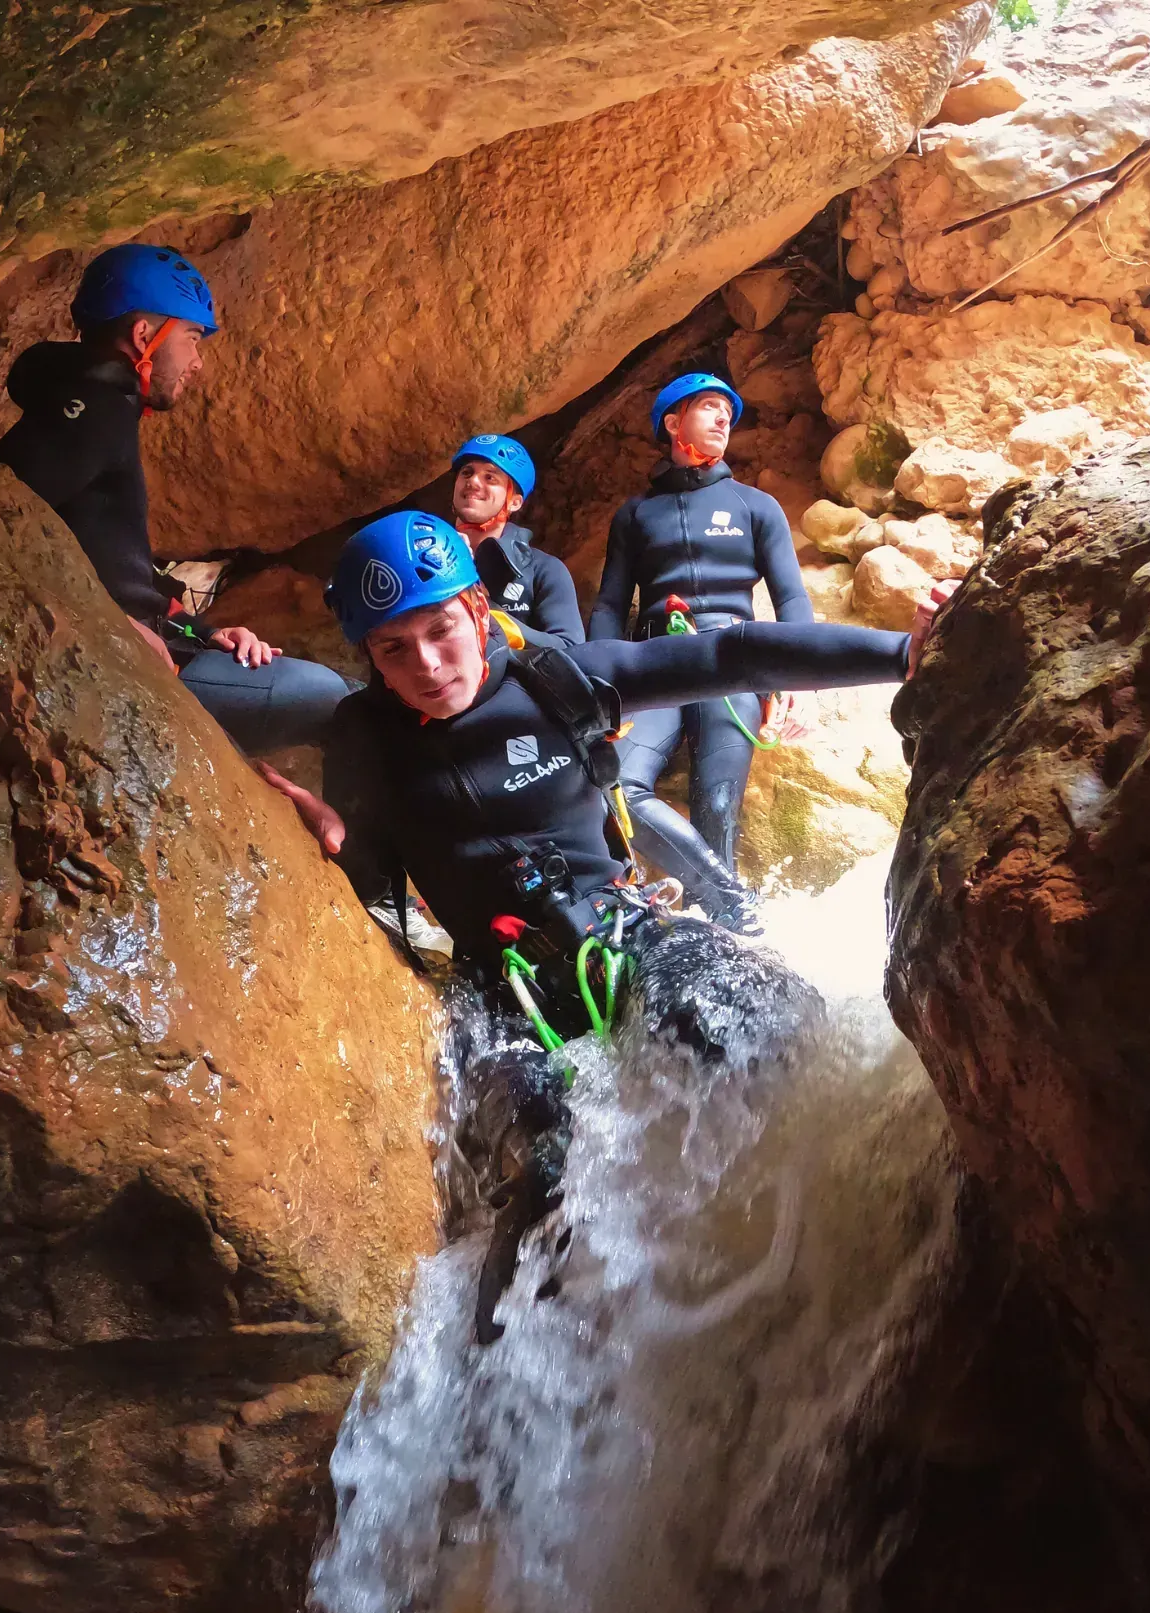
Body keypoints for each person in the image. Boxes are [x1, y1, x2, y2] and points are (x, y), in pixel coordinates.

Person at [260, 511, 937, 1341]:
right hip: (498, 989)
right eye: (394, 649)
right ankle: (504, 1371)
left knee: (761, 1016)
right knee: (545, 1166)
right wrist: (332, 840)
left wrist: (902, 654)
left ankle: (790, 1259)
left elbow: (728, 654)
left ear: (476, 611)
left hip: (615, 930)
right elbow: (372, 876)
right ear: (369, 656)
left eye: (440, 630)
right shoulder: (365, 737)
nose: (428, 666)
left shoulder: (556, 679)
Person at [0, 243, 350, 752]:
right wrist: (114, 627)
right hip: (121, 653)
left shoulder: (97, 403)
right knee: (334, 698)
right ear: (144, 335)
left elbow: (112, 561)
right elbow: (0, 527)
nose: (198, 362)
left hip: (155, 635)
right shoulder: (97, 409)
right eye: (192, 338)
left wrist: (202, 630)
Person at [588, 371, 819, 940]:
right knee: (615, 788)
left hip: (731, 657)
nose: (723, 420)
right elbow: (611, 604)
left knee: (716, 810)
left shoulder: (754, 505)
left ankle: (725, 941)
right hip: (656, 660)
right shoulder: (636, 515)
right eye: (710, 408)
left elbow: (790, 596)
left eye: (728, 413)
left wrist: (804, 684)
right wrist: (596, 684)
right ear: (672, 422)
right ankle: (733, 905)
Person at [449, 434, 584, 651]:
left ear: (514, 502)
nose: (473, 481)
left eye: (490, 477)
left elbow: (569, 647)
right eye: (467, 472)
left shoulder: (543, 569)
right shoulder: (421, 557)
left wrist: (485, 608)